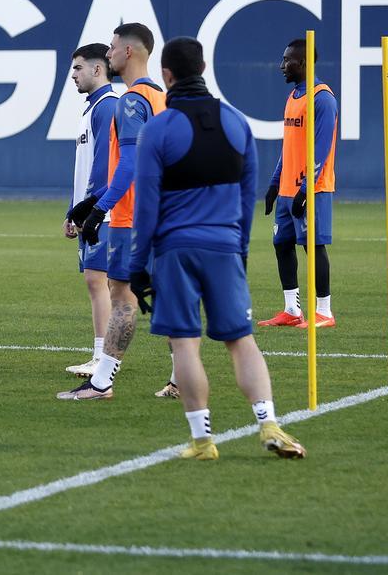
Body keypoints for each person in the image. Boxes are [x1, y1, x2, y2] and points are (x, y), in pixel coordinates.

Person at [129, 36, 305, 460]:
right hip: (226, 247)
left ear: (166, 76)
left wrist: (138, 265)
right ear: (204, 69)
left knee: (185, 344)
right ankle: (270, 424)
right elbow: (247, 201)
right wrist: (238, 251)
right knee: (242, 341)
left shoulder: (158, 129)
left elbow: (146, 206)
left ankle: (203, 440)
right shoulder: (236, 123)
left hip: (175, 250)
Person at [61, 23, 174, 400]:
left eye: (111, 49)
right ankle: (178, 378)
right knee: (164, 296)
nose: (108, 55)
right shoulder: (162, 98)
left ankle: (102, 381)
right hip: (161, 212)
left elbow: (128, 162)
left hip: (129, 216)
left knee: (121, 295)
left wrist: (99, 208)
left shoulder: (128, 101)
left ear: (128, 52)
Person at [257, 39, 339, 329]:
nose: (281, 66)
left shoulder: (323, 98)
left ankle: (325, 312)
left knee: (313, 247)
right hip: (287, 190)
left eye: (286, 60)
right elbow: (288, 146)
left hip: (312, 190)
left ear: (302, 63)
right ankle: (292, 310)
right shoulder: (294, 96)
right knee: (281, 244)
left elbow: (321, 148)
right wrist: (274, 184)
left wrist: (306, 189)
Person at [62, 44, 116, 379]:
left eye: (78, 68)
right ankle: (102, 356)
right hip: (91, 210)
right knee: (97, 282)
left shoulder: (107, 107)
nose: (73, 75)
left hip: (104, 213)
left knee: (99, 281)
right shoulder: (92, 108)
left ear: (98, 69)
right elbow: (85, 168)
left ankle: (104, 358)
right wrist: (73, 211)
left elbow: (106, 166)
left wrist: (89, 209)